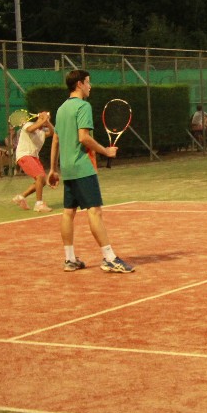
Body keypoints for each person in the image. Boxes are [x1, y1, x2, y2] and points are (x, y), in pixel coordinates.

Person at [49, 69, 134, 273]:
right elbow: (84, 138)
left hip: (68, 168)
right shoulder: (83, 106)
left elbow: (56, 140)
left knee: (68, 213)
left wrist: (52, 169)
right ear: (79, 84)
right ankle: (110, 258)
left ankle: (70, 259)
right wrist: (106, 151)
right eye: (88, 82)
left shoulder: (61, 109)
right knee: (95, 211)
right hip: (83, 167)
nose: (90, 86)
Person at [11, 111, 53, 212]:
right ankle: (39, 204)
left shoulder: (42, 132)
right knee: (40, 176)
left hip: (34, 157)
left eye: (48, 119)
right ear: (39, 118)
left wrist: (47, 122)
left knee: (42, 181)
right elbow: (31, 129)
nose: (46, 120)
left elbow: (53, 132)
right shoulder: (28, 124)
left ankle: (21, 197)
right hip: (24, 155)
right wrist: (43, 119)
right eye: (45, 118)